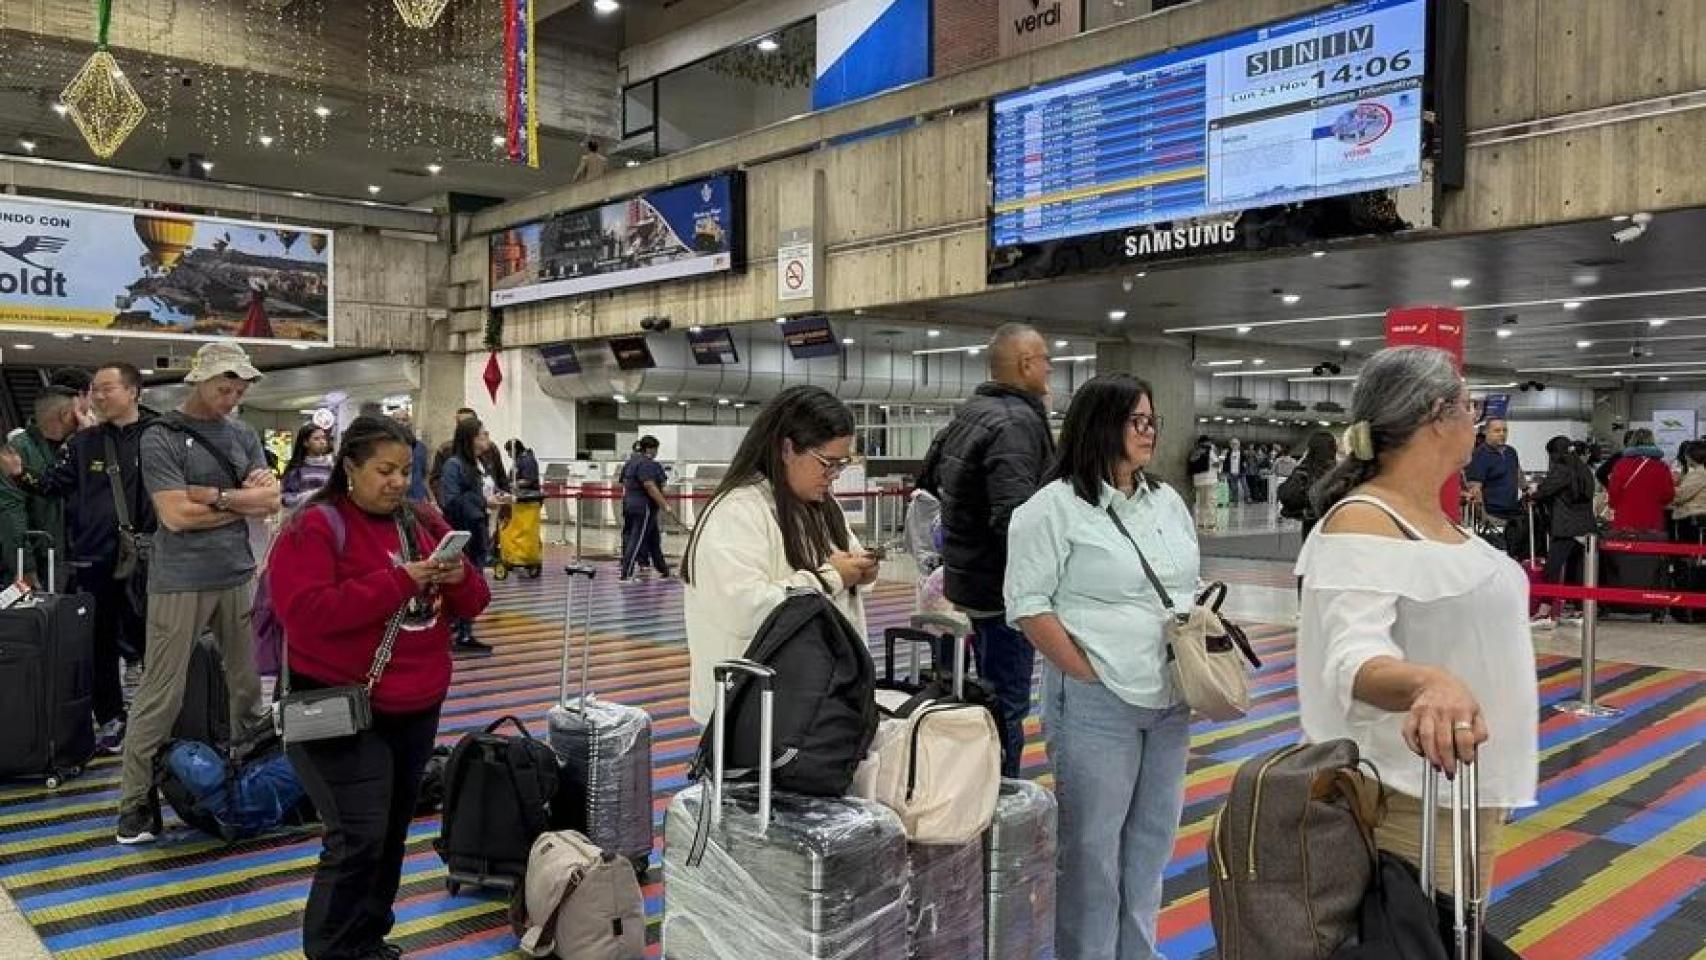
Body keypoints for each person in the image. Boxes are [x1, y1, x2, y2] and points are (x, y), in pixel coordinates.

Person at [1296, 346, 1537, 896]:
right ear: (1437, 414)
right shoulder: (1363, 521)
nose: (1475, 420)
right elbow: (1351, 659)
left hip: (1463, 793)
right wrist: (1429, 683)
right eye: (1468, 405)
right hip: (1410, 801)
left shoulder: (1428, 517)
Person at [271, 417, 490, 960]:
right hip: (340, 705)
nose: (396, 482)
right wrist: (400, 581)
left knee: (390, 832)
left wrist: (458, 578)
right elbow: (304, 614)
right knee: (357, 835)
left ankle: (368, 940)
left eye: (405, 471)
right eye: (383, 470)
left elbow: (476, 602)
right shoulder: (315, 527)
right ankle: (332, 949)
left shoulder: (422, 521)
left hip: (415, 706)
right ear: (350, 467)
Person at [1005, 374, 1196, 960]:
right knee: (1090, 853)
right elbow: (1028, 606)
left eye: (1152, 421)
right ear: (1101, 425)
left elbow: (1185, 583)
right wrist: (1083, 671)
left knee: (1149, 845)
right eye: (1136, 421)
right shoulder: (1051, 509)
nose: (1148, 433)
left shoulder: (1165, 500)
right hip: (1097, 703)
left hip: (1170, 698)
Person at [117, 342, 282, 844]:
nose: (231, 398)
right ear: (198, 381)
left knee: (249, 687)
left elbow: (270, 498)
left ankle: (248, 788)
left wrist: (212, 495)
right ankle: (134, 804)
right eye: (223, 388)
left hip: (237, 573)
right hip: (179, 579)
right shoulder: (161, 436)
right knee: (160, 693)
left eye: (238, 390)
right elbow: (173, 516)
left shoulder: (242, 433)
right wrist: (242, 502)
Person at [681, 386, 877, 725]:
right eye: (827, 463)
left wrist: (861, 571)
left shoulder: (820, 506)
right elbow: (746, 610)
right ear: (787, 448)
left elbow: (844, 568)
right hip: (750, 717)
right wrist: (830, 577)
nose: (833, 476)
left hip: (813, 707)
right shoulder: (739, 512)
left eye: (842, 464)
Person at [918, 323, 1055, 778]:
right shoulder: (1015, 422)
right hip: (1002, 591)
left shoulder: (972, 412)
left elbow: (930, 479)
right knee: (1006, 703)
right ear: (1025, 364)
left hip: (965, 580)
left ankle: (966, 789)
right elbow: (1016, 517)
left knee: (964, 695)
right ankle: (1001, 799)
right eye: (1046, 358)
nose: (1051, 367)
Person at [0, 364, 158, 755]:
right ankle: (111, 717)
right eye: (95, 390)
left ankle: (161, 718)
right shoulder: (85, 442)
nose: (99, 397)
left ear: (133, 391)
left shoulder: (161, 435)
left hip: (152, 557)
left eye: (108, 389)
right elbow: (53, 484)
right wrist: (21, 475)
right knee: (99, 641)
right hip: (94, 558)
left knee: (155, 638)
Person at [437, 418, 508, 657]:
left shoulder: (481, 464)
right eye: (482, 435)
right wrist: (483, 501)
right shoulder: (453, 466)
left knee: (474, 578)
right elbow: (450, 500)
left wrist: (500, 496)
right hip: (463, 529)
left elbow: (485, 490)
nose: (487, 438)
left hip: (479, 526)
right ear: (470, 438)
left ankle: (465, 628)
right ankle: (458, 631)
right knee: (462, 578)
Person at [0, 386, 79, 585]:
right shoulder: (17, 451)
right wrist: (25, 568)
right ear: (65, 414)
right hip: (43, 561)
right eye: (81, 411)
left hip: (74, 559)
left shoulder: (75, 448)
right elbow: (10, 514)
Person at [1530, 436, 1597, 629]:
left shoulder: (1561, 468)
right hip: (1585, 526)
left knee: (1552, 568)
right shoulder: (1583, 468)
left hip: (1566, 527)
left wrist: (1533, 492)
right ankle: (1578, 611)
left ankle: (1544, 613)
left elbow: (1544, 491)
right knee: (1576, 569)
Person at [618, 436, 673, 582]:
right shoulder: (648, 464)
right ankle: (626, 574)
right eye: (655, 449)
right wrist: (665, 505)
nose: (656, 452)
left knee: (653, 539)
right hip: (644, 507)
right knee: (636, 539)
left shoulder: (631, 462)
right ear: (650, 448)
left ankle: (663, 569)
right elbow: (650, 486)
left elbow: (623, 482)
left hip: (629, 504)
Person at [1277, 431, 1342, 544]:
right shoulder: (1338, 472)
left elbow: (1288, 493)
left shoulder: (1304, 469)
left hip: (1310, 525)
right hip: (1334, 525)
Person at [1605, 428, 1675, 533]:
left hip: (1625, 519)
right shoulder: (1662, 466)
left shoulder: (1620, 465)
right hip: (1652, 520)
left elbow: (1613, 493)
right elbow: (1668, 495)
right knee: (1650, 548)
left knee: (1624, 548)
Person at [281, 423, 335, 508]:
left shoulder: (332, 467)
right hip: (305, 516)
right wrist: (312, 495)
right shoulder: (297, 469)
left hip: (328, 516)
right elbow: (286, 498)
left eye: (323, 438)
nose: (322, 442)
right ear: (306, 443)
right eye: (316, 439)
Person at [388, 408, 434, 506]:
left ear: (409, 423)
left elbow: (425, 477)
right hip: (399, 501)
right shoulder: (387, 448)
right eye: (397, 420)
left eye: (404, 420)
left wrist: (432, 500)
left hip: (419, 499)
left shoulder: (420, 447)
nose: (401, 423)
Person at [1672, 442, 1706, 542]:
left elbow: (1680, 495)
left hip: (1694, 515)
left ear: (1690, 457)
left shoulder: (1698, 474)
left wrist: (1668, 489)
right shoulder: (1699, 472)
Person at [1188, 436, 1219, 532]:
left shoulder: (1194, 452)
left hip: (1198, 481)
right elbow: (1216, 463)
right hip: (1210, 480)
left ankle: (1201, 524)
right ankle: (1211, 525)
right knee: (1210, 502)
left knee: (1200, 503)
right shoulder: (1210, 451)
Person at [1223, 437, 1245, 505]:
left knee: (1244, 485)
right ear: (1230, 445)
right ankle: (1235, 501)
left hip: (1240, 472)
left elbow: (1244, 462)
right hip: (1231, 472)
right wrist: (1225, 471)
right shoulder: (1228, 453)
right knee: (1234, 487)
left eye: (1235, 444)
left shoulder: (1242, 453)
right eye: (1232, 444)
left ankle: (1248, 497)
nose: (1234, 445)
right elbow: (1225, 462)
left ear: (1239, 445)